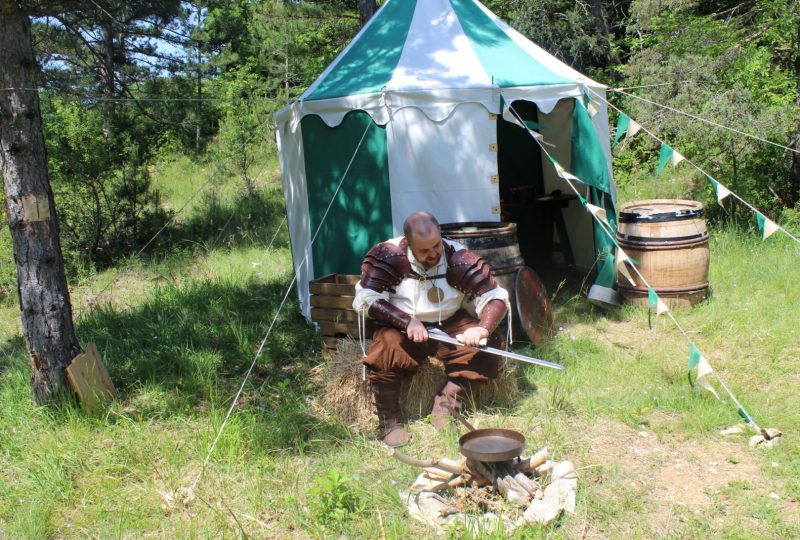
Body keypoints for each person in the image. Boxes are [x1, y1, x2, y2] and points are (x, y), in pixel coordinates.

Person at [352, 211, 509, 447]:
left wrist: (482, 330)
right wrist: (406, 321)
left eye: (436, 245)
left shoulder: (458, 257)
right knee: (385, 349)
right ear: (408, 243)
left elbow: (494, 297)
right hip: (401, 326)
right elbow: (365, 299)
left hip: (449, 322)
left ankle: (447, 405)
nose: (434, 253)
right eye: (424, 250)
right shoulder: (389, 255)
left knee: (489, 347)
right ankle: (388, 422)